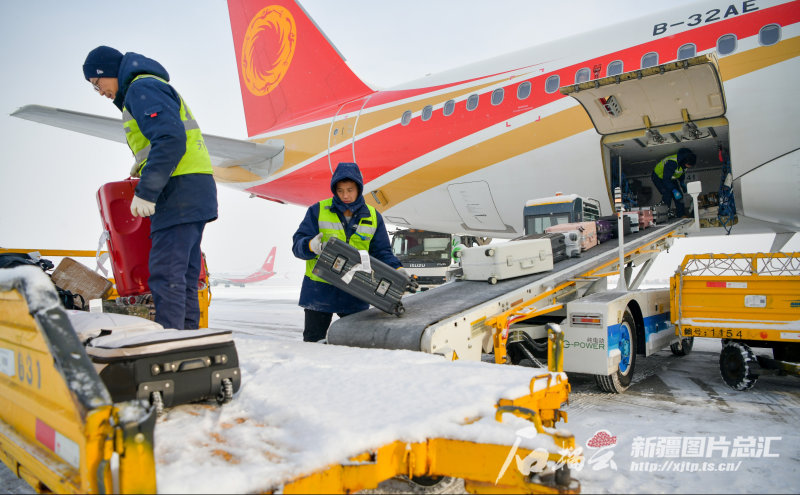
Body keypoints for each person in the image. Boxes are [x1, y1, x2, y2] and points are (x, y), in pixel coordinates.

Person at [83, 46, 217, 330]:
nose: (101, 93)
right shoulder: (149, 86)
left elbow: (169, 139)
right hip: (194, 188)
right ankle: (187, 338)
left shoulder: (141, 88)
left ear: (106, 72)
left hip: (177, 190)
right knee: (184, 275)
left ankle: (170, 341)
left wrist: (147, 190)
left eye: (98, 85)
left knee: (167, 273)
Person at [292, 163, 411, 342]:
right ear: (334, 190)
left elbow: (382, 251)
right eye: (340, 190)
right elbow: (297, 246)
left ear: (359, 188)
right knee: (313, 344)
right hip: (319, 291)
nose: (345, 195)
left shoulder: (372, 216)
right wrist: (310, 246)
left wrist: (397, 269)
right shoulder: (317, 211)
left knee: (355, 345)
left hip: (356, 291)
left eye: (350, 190)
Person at [651, 147, 696, 218]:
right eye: (689, 165)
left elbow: (681, 172)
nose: (689, 166)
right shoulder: (672, 163)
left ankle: (681, 214)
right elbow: (666, 179)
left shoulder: (684, 163)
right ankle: (665, 214)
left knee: (679, 195)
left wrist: (681, 183)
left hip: (670, 177)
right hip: (658, 177)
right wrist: (674, 190)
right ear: (685, 161)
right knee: (667, 194)